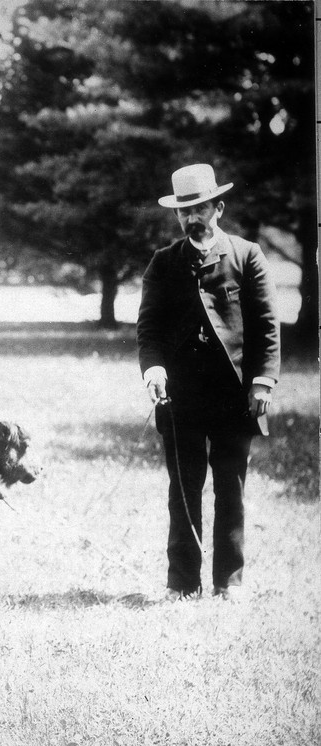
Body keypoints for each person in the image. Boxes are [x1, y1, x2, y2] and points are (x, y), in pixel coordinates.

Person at [137, 163, 280, 601]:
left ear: (218, 207)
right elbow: (149, 329)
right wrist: (154, 369)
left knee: (230, 489)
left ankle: (229, 582)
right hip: (181, 396)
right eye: (184, 212)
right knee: (182, 491)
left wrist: (262, 382)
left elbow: (266, 325)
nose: (191, 218)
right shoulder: (163, 263)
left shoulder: (247, 255)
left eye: (199, 208)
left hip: (234, 395)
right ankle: (181, 584)